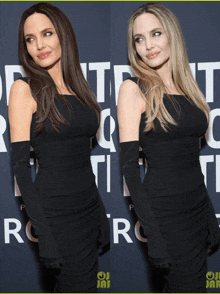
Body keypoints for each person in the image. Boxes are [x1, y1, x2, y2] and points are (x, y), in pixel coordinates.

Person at [117, 2, 220, 292]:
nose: (148, 45)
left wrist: (208, 215)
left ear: (172, 35)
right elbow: (128, 168)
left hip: (196, 211)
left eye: (156, 33)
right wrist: (154, 233)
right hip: (165, 216)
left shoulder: (188, 89)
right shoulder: (133, 89)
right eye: (139, 39)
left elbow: (189, 162)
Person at [9, 2, 110, 293]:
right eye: (30, 39)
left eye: (47, 33)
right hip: (56, 218)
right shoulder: (24, 89)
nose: (39, 45)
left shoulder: (80, 89)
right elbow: (20, 168)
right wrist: (45, 234)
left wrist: (100, 214)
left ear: (63, 34)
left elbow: (81, 162)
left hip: (88, 211)